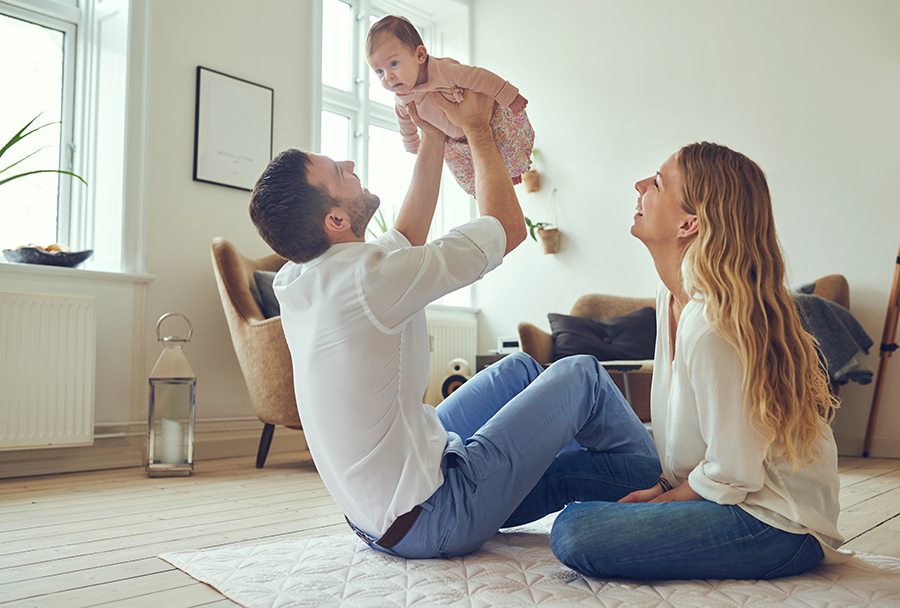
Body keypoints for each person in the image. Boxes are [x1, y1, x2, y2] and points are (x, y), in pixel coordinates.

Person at [248, 90, 656, 559]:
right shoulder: (368, 280)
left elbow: (404, 238)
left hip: (379, 514)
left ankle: (579, 472)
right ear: (336, 218)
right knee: (580, 373)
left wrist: (435, 135)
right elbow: (509, 226)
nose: (348, 162)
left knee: (521, 369)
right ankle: (659, 483)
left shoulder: (299, 276)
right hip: (431, 515)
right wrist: (477, 127)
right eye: (338, 172)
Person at [510, 142, 846, 580]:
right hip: (722, 486)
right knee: (571, 469)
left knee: (576, 530)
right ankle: (451, 512)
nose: (639, 186)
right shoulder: (671, 296)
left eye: (656, 183)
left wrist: (660, 504)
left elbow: (733, 475)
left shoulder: (711, 322)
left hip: (775, 523)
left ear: (690, 222)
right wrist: (664, 487)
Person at [365, 15, 534, 197]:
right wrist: (412, 145)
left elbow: (480, 77)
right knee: (465, 172)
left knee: (505, 142)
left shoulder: (445, 71)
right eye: (379, 71)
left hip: (487, 119)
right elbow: (405, 125)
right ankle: (500, 180)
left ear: (420, 55)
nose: (388, 77)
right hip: (454, 142)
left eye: (394, 64)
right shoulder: (402, 99)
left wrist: (509, 95)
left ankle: (514, 171)